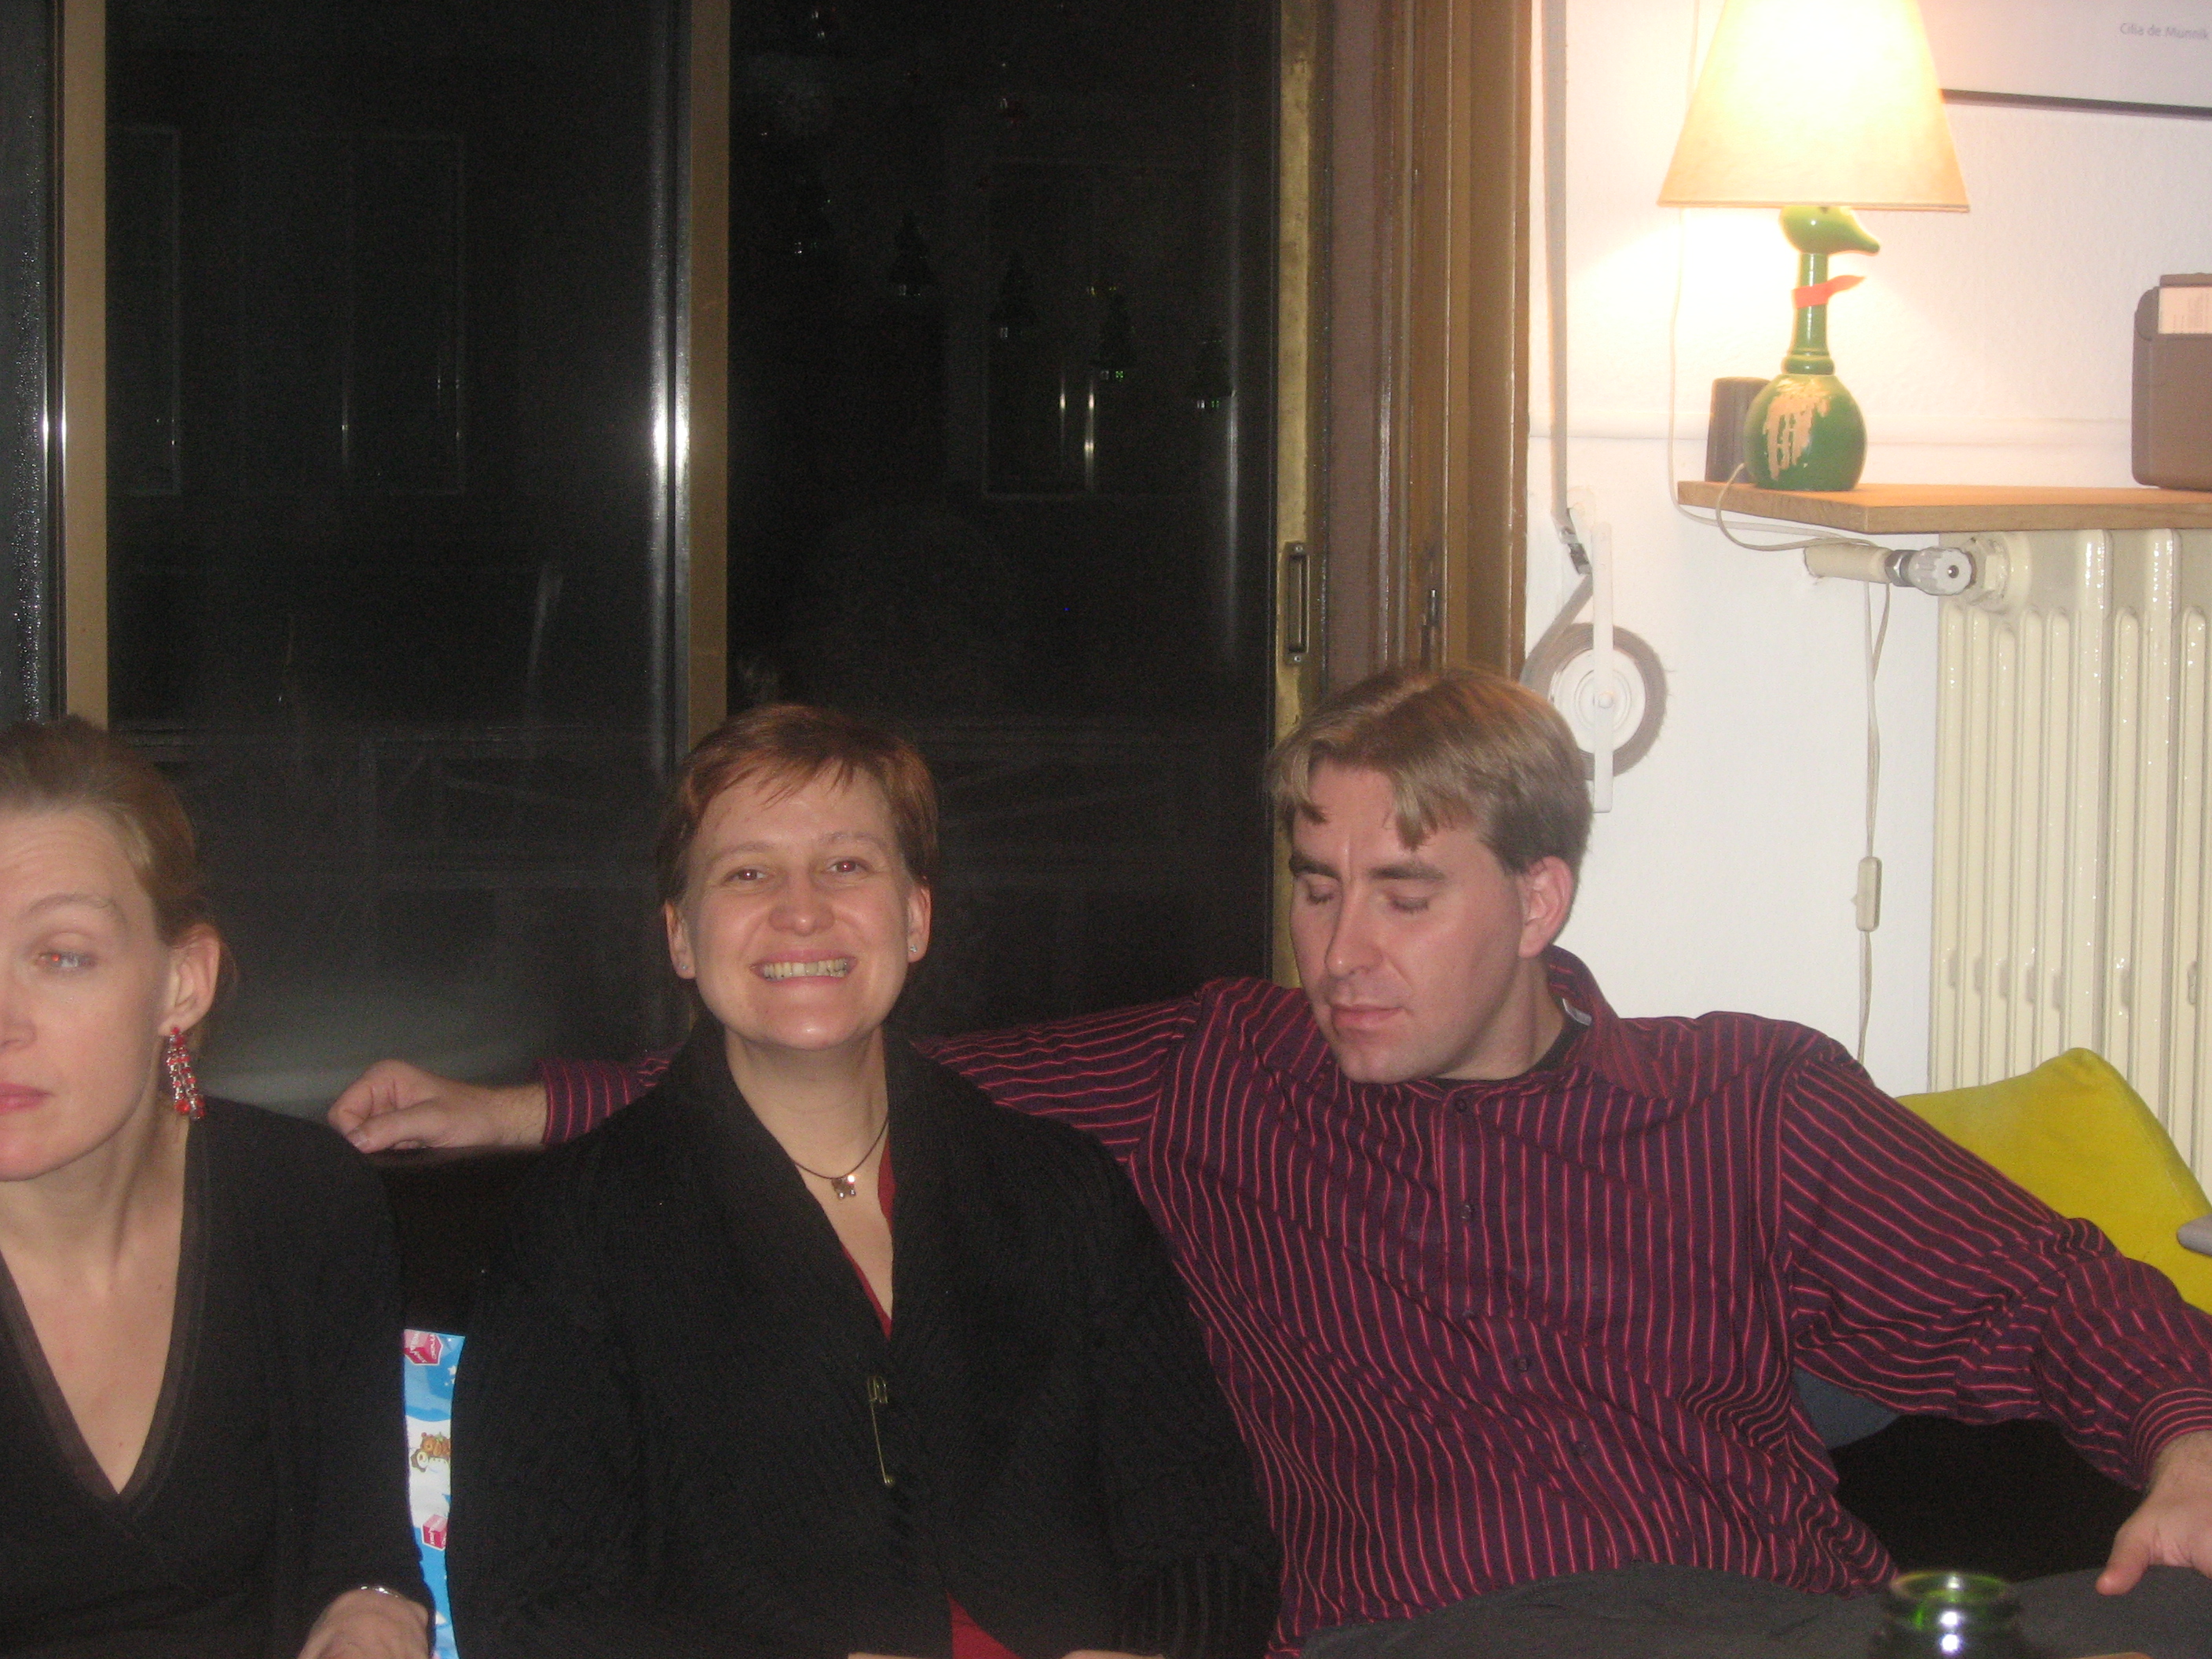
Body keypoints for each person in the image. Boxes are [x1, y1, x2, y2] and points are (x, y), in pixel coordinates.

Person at [336, 668, 2212, 1659]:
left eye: (1404, 893)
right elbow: (847, 1056)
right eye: (1317, 888)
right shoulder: (1225, 1074)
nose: (1342, 952)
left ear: (1538, 899)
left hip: (1789, 1616)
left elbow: (2049, 1293)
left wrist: (2188, 1437)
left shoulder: (1746, 1096)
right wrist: (529, 1111)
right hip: (1453, 1636)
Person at [442, 704, 1278, 1659]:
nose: (801, 909)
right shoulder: (579, 1225)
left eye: (846, 865)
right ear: (680, 937)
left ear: (915, 916)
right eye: (747, 872)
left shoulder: (1062, 1192)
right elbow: (528, 1611)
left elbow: (1208, 1539)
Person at [0, 717, 429, 1659]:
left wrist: (369, 1618)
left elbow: (364, 1562)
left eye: (61, 955)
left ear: (181, 984)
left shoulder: (301, 1201)